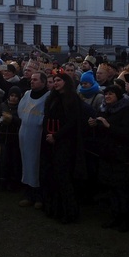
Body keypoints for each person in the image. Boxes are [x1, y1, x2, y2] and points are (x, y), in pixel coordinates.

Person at [41, 70, 84, 223]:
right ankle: (55, 208)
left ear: (66, 82)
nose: (56, 83)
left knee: (64, 178)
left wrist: (56, 136)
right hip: (51, 141)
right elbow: (48, 117)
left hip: (65, 143)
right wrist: (48, 133)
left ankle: (69, 212)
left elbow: (72, 122)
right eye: (54, 80)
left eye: (59, 80)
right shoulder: (53, 97)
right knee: (53, 177)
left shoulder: (72, 98)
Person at [91, 84, 129, 232]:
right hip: (106, 154)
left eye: (111, 94)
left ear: (118, 96)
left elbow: (126, 134)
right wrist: (94, 124)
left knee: (121, 190)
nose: (108, 96)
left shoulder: (125, 111)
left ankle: (124, 219)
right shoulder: (103, 110)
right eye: (106, 94)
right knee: (110, 189)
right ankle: (114, 216)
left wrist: (108, 126)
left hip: (119, 156)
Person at [18, 71, 49, 208]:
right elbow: (21, 111)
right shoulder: (26, 94)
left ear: (43, 82)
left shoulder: (48, 97)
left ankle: (39, 196)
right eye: (31, 79)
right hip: (25, 133)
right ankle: (28, 194)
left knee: (37, 165)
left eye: (35, 79)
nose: (32, 81)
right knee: (26, 164)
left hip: (39, 135)